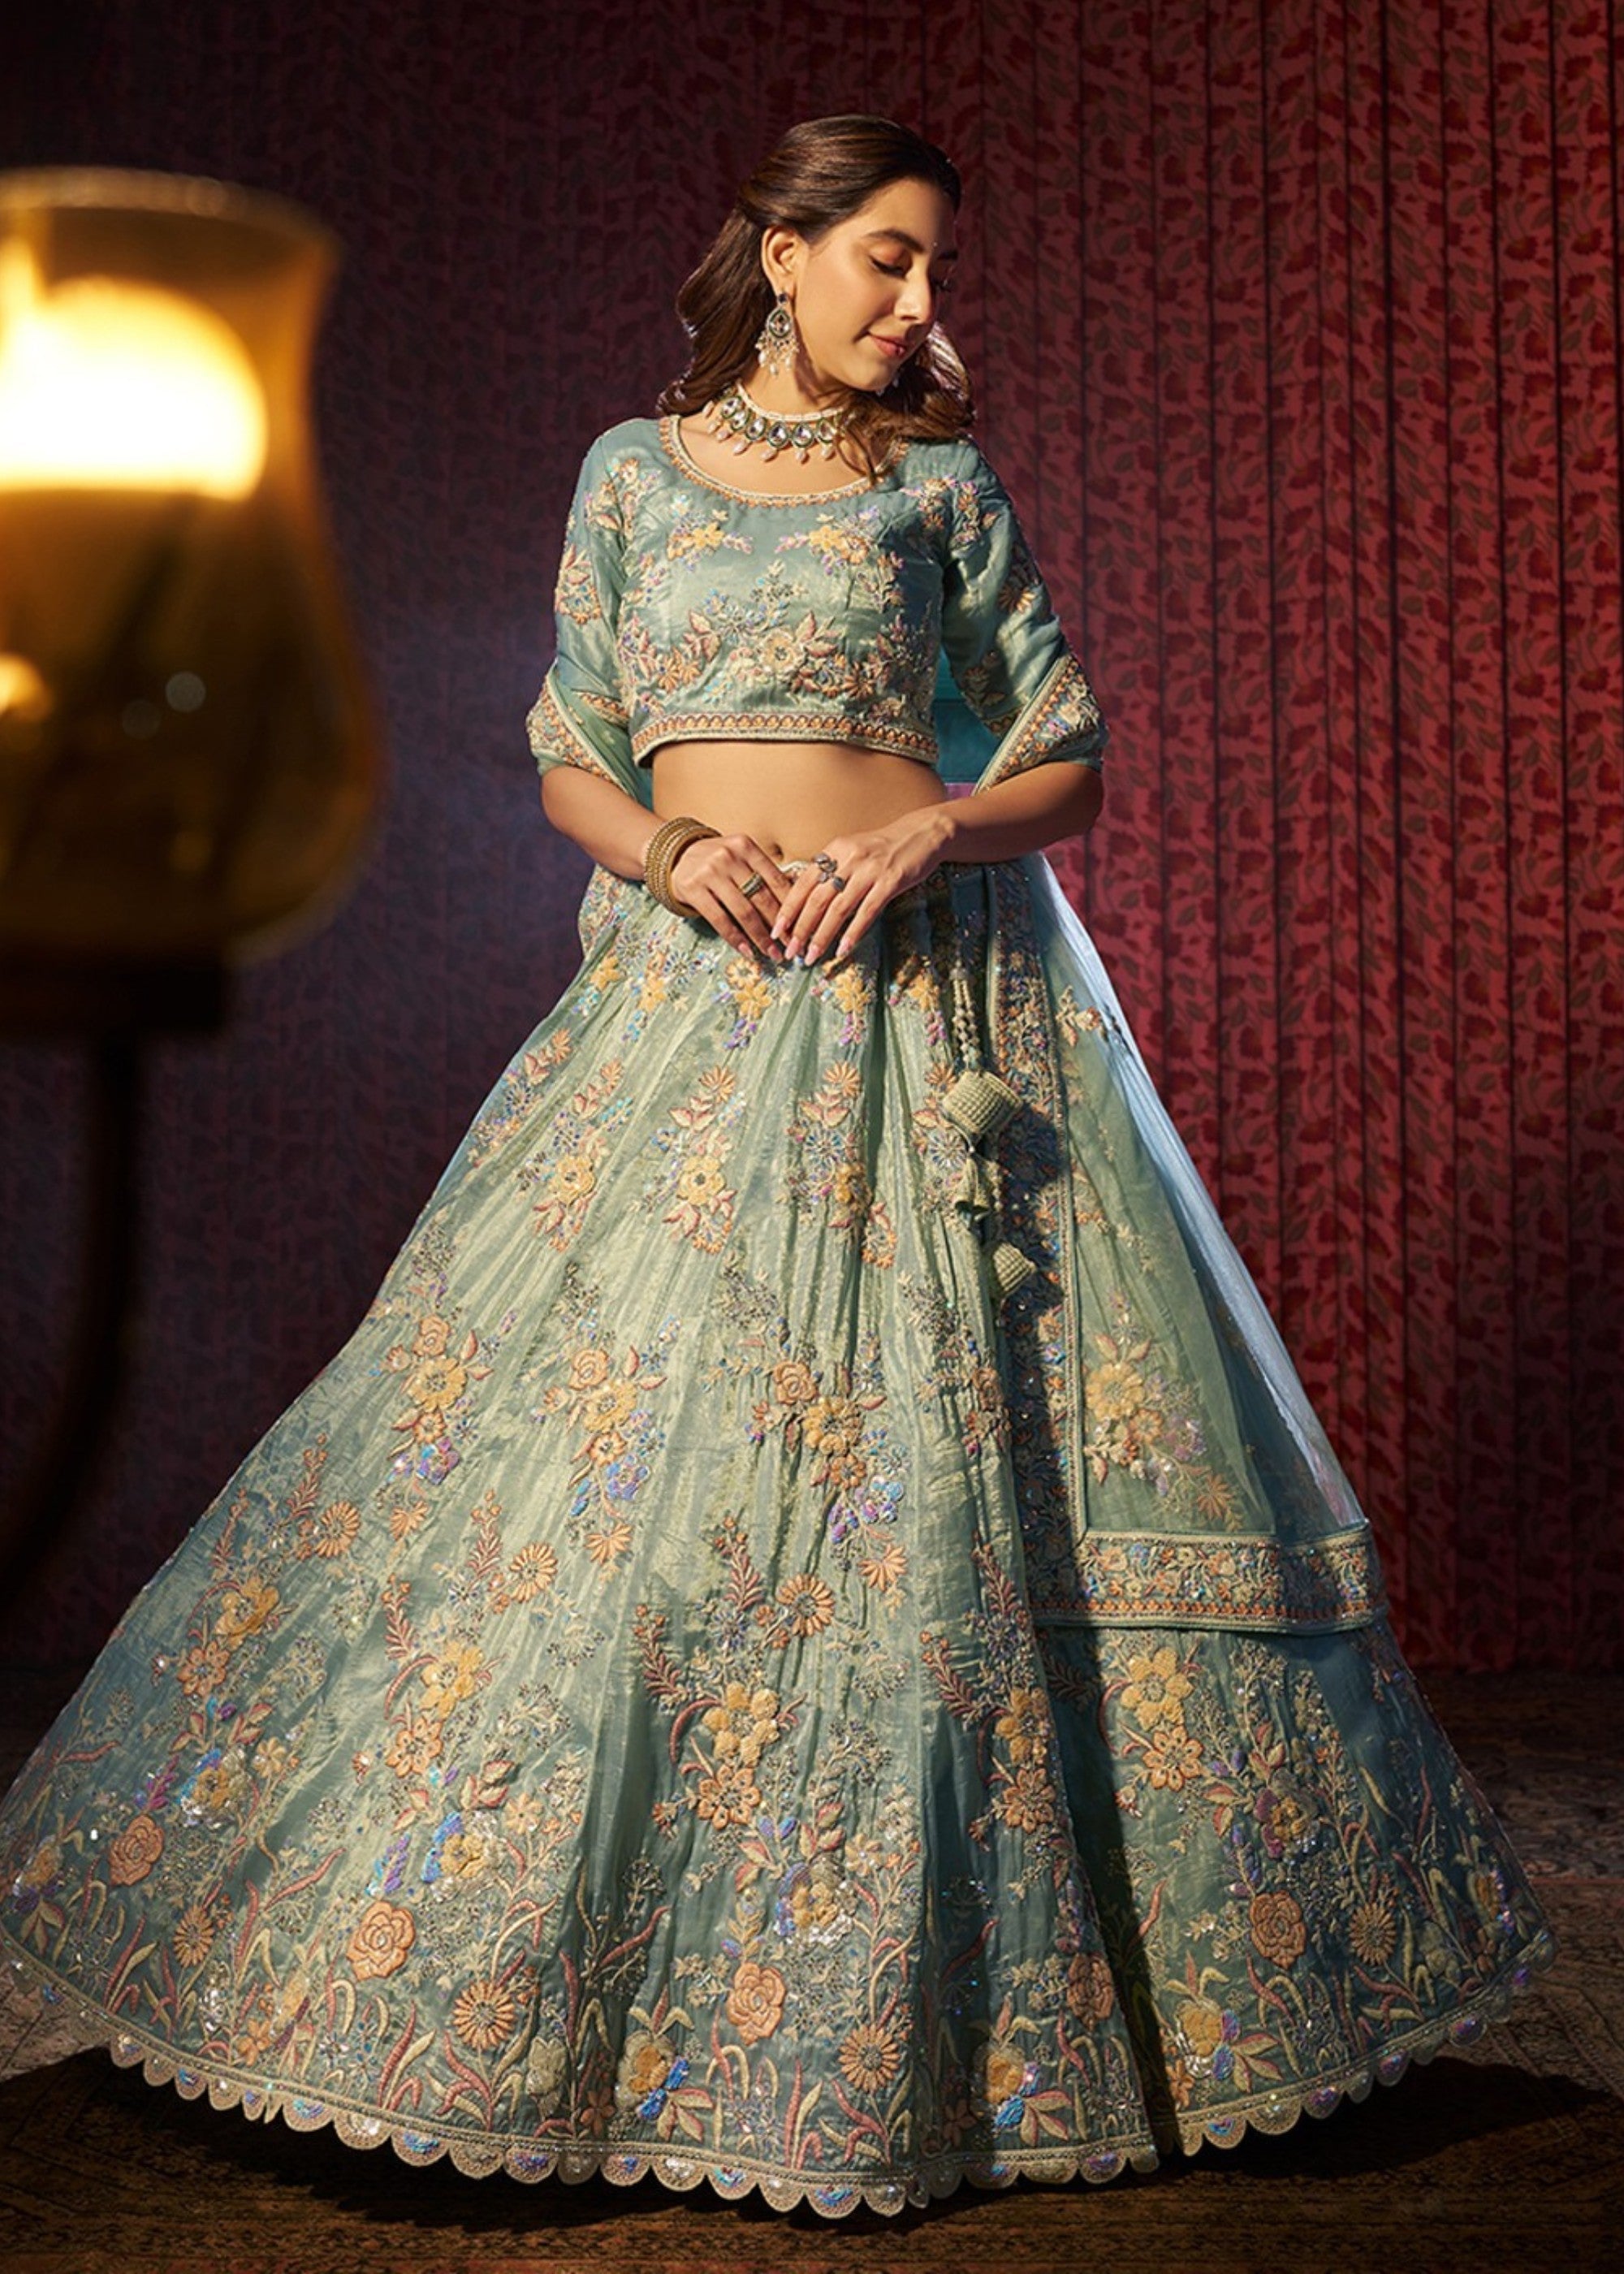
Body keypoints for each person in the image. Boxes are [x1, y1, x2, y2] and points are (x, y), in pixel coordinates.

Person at [0, 115, 1553, 2220]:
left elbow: (1065, 747)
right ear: (785, 251)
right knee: (599, 1477)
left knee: (936, 1484)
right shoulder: (633, 478)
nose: (920, 303)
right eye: (888, 259)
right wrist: (676, 850)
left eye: (934, 270)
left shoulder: (940, 488)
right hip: (693, 1005)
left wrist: (930, 828)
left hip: (927, 1009)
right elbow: (570, 744)